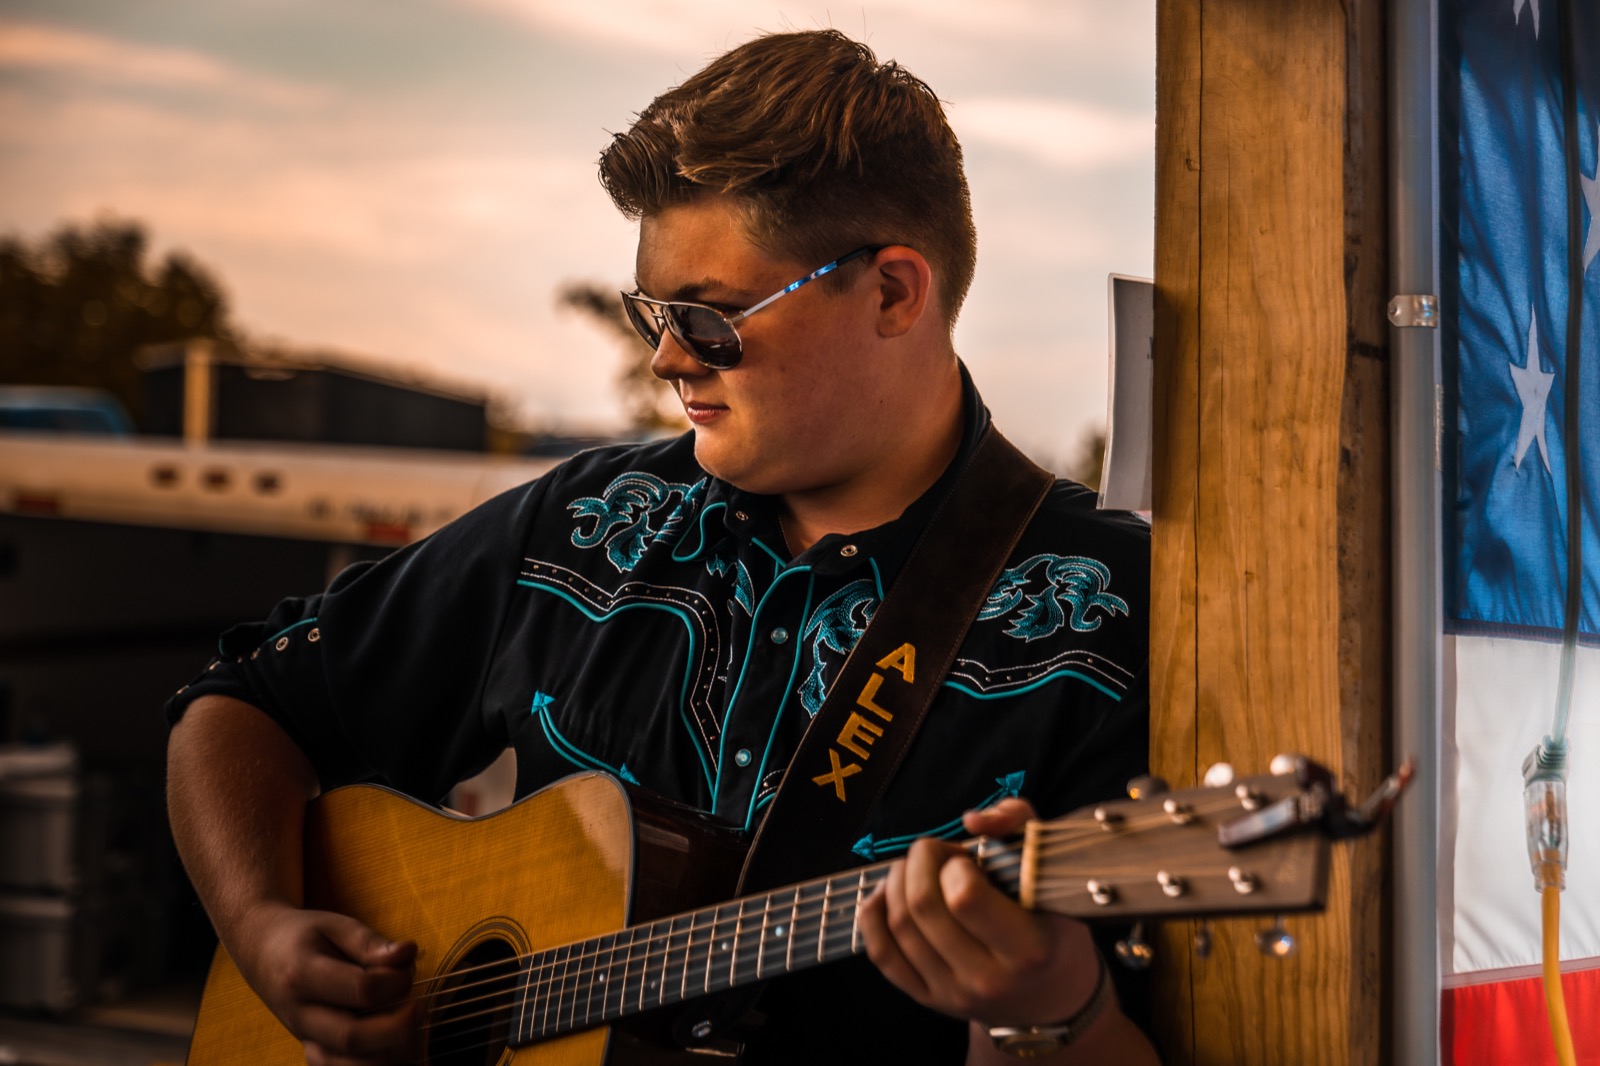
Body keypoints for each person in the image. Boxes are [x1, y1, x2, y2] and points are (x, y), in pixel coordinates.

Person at [165, 29, 1158, 1066]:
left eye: (709, 318)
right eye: (652, 314)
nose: (667, 359)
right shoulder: (588, 521)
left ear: (892, 293)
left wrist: (1051, 1008)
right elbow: (244, 702)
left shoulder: (1112, 616)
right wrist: (263, 927)